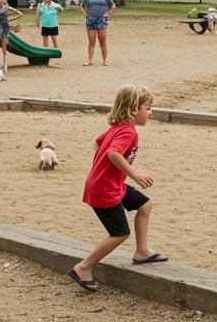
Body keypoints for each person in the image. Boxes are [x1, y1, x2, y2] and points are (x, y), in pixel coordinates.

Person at [69, 85, 167, 292]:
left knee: (145, 205)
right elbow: (113, 153)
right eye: (148, 108)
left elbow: (97, 142)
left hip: (108, 184)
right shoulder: (128, 132)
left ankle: (142, 252)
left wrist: (103, 170)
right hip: (105, 190)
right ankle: (83, 267)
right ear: (133, 109)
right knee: (119, 234)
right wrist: (135, 174)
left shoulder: (119, 127)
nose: (150, 112)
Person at [81, 0, 115, 66]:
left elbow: (112, 5)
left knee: (102, 41)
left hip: (101, 20)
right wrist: (85, 14)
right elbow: (82, 6)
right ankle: (89, 60)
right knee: (91, 41)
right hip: (90, 20)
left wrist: (108, 13)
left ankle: (105, 60)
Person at [0, 0, 23, 71]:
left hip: (4, 27)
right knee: (1, 41)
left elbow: (20, 13)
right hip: (2, 26)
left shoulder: (4, 8)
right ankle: (4, 61)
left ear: (2, 2)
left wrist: (17, 17)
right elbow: (20, 13)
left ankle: (4, 64)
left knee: (4, 44)